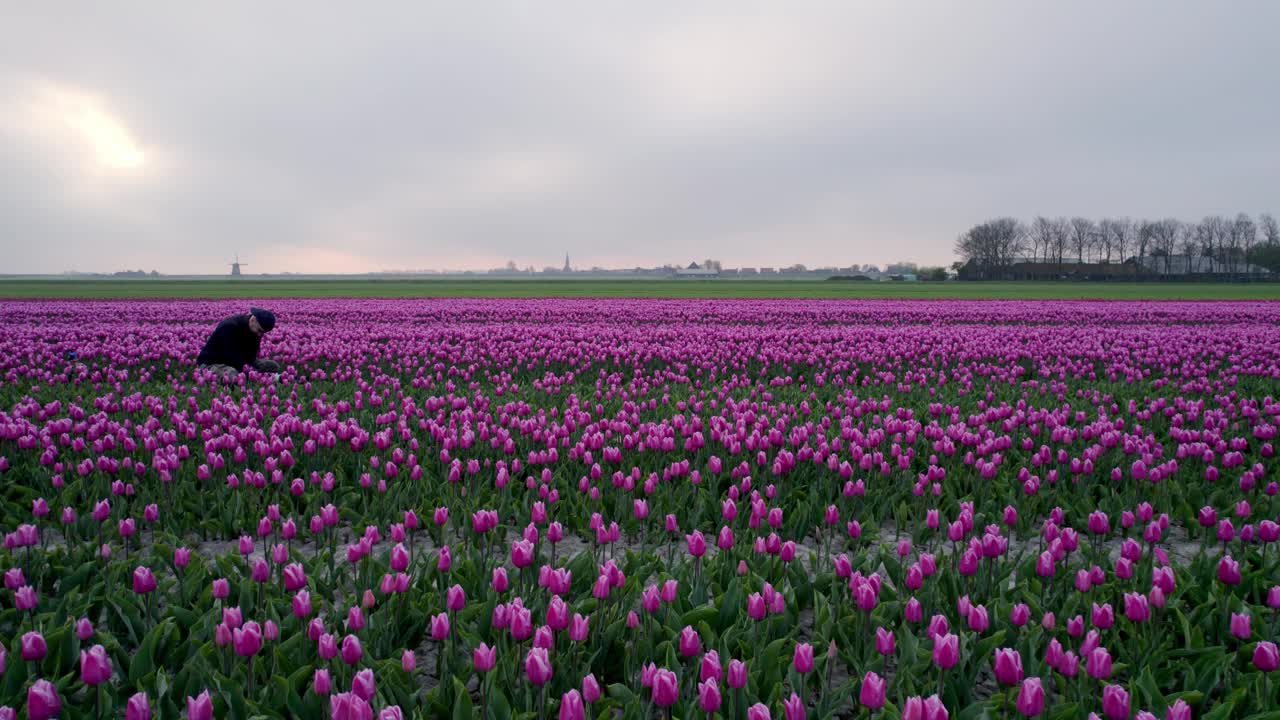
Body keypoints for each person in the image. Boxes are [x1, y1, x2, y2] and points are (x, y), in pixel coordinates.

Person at [196, 307, 281, 380]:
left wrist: (253, 369)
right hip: (212, 362)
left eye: (263, 333)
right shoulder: (230, 326)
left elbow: (251, 356)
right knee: (232, 374)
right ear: (253, 319)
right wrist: (251, 371)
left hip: (240, 360)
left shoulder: (255, 330)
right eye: (259, 330)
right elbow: (230, 357)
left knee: (273, 366)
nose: (260, 335)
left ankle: (262, 378)